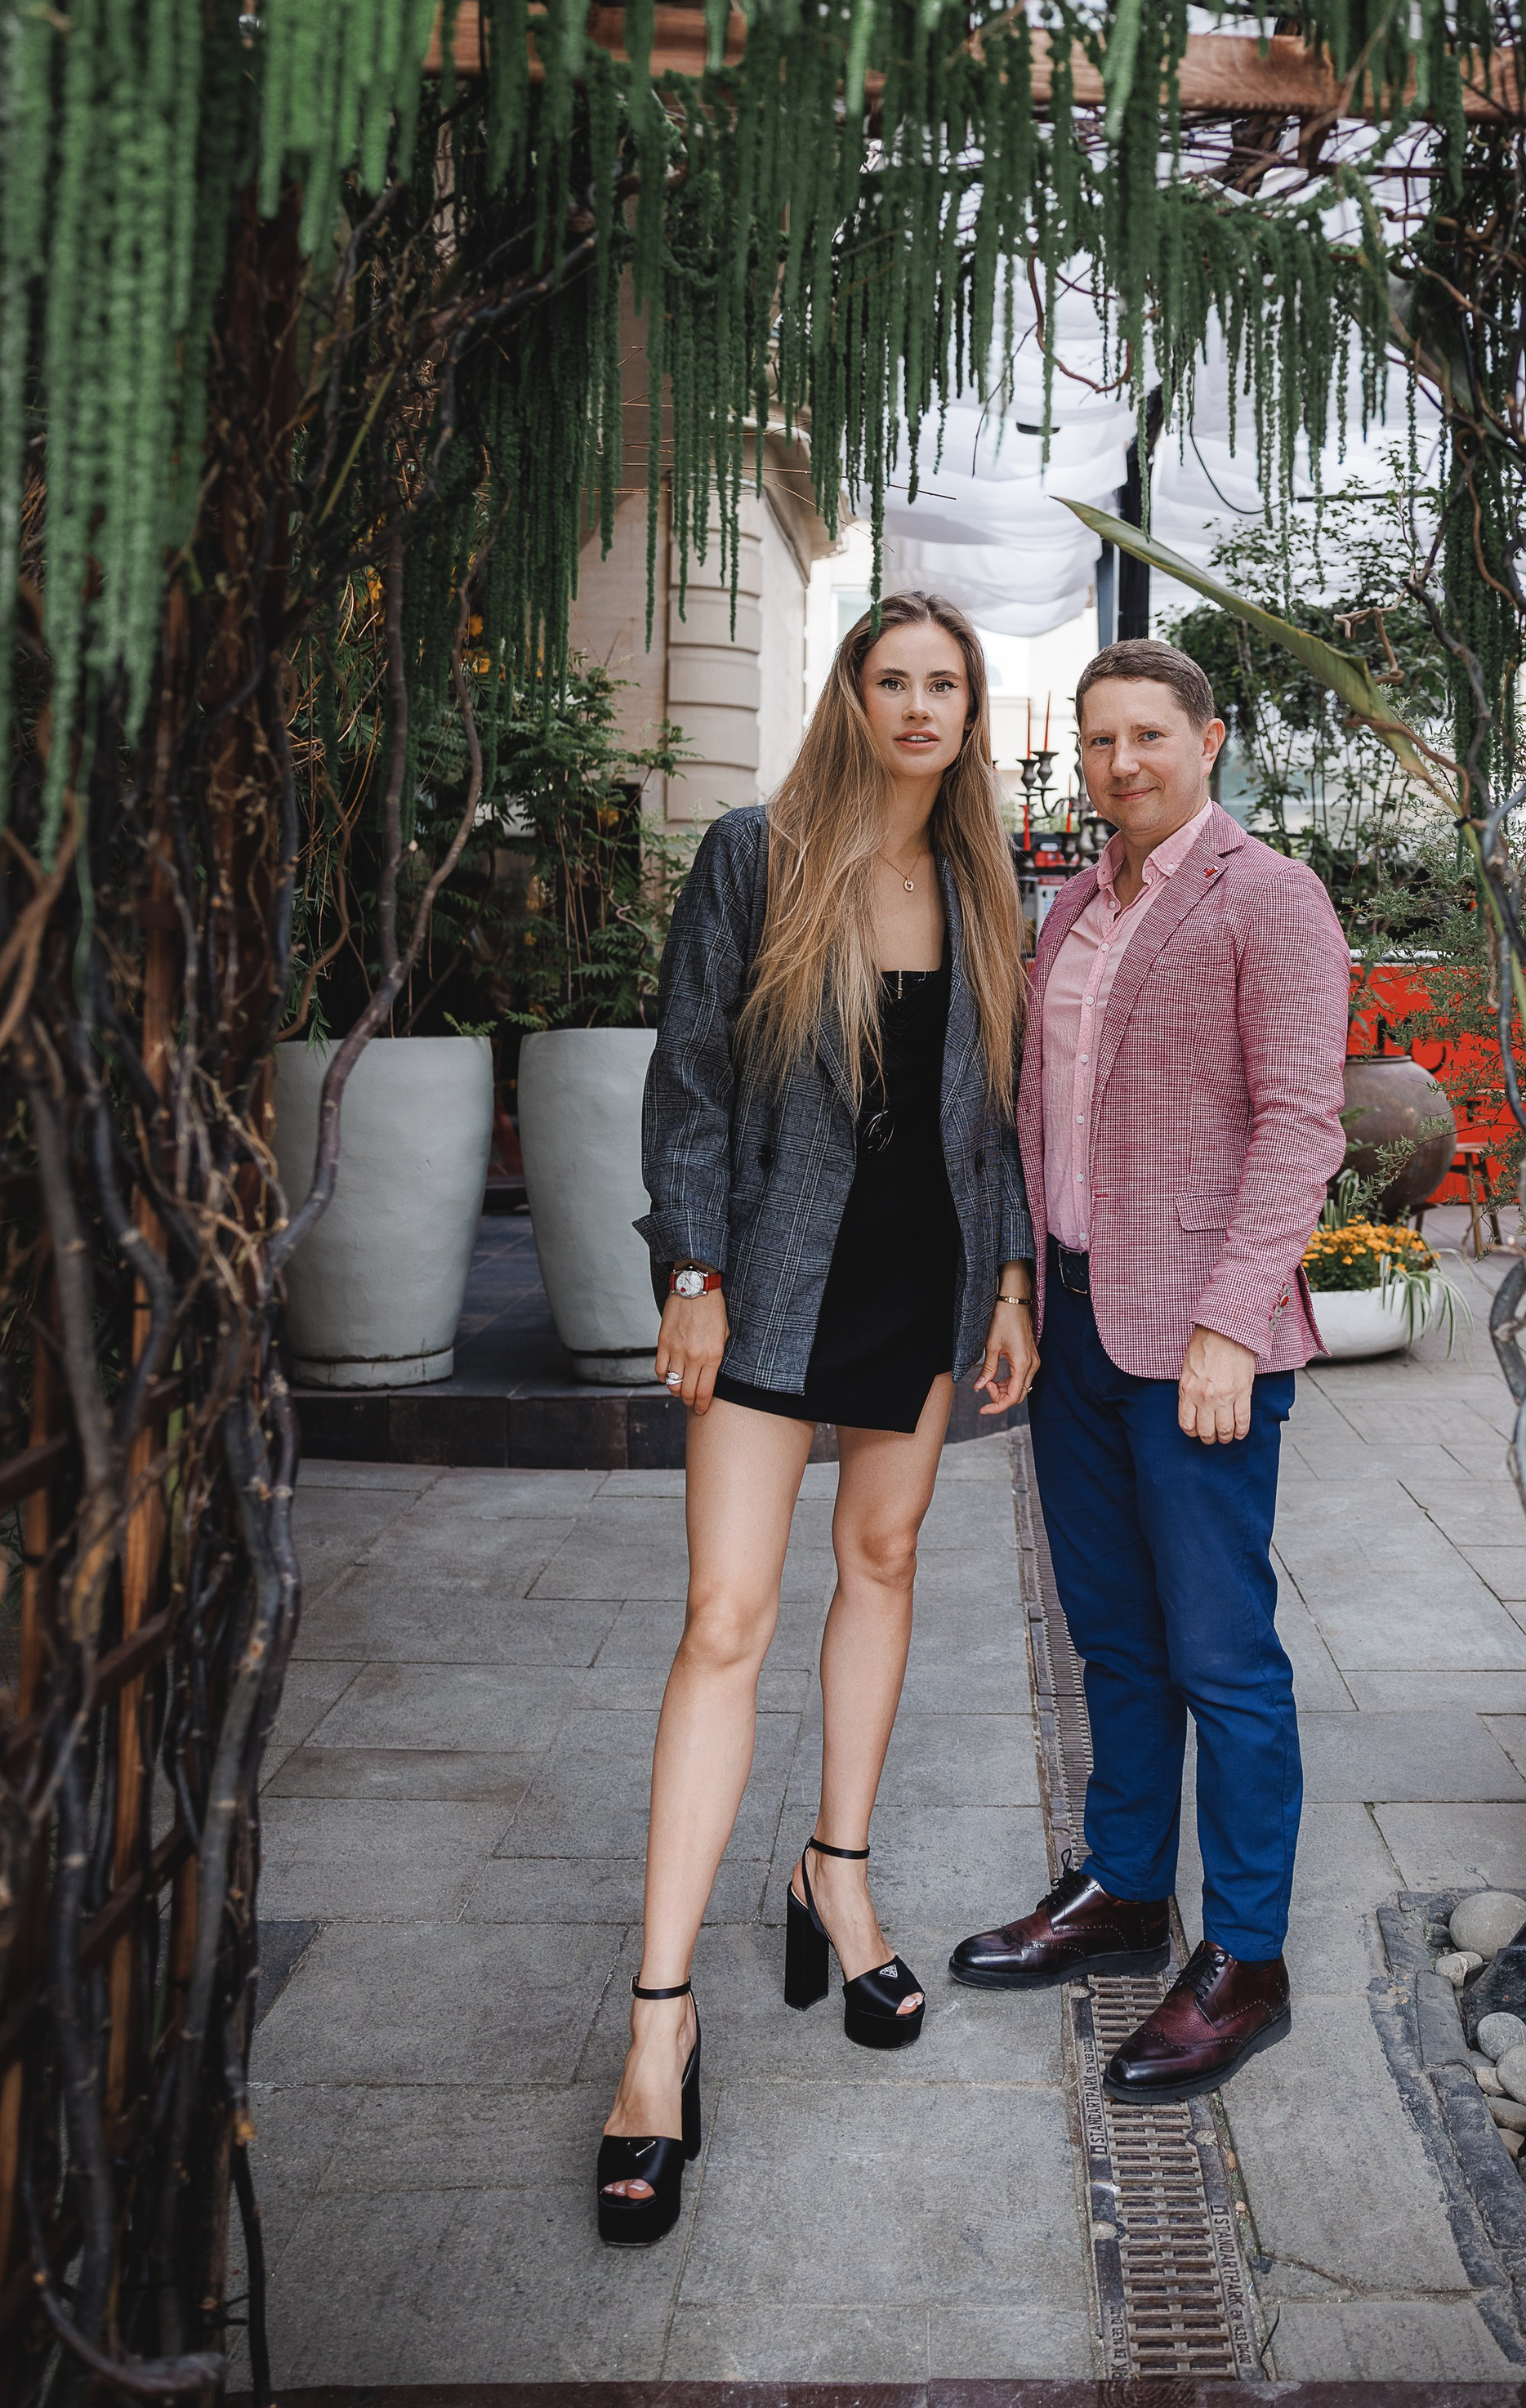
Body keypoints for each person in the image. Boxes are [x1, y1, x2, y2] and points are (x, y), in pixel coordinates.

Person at [596, 591, 1040, 2245]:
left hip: (918, 1284)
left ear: (969, 709)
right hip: (773, 1273)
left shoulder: (989, 881)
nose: (919, 704)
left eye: (947, 682)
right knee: (724, 1616)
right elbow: (690, 1073)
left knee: (884, 1555)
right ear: (850, 695)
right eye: (893, 678)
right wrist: (690, 1266)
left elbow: (996, 1116)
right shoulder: (755, 850)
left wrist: (1003, 1284)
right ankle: (657, 2026)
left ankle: (832, 1871)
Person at [950, 637, 1350, 2101]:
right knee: (1111, 1638)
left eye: (1150, 737)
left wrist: (1233, 1321)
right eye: (1100, 739)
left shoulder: (1274, 900)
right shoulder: (1072, 901)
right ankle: (1126, 1890)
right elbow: (1033, 1117)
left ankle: (1246, 1956)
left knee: (1223, 1656)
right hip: (1071, 1324)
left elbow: (1303, 1124)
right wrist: (1015, 1289)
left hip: (1198, 1345)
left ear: (1212, 739)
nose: (1123, 764)